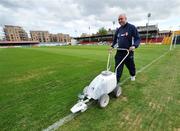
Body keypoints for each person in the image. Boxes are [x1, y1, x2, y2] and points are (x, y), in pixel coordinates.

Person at [109, 14, 140, 83]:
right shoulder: (118, 30)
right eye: (119, 19)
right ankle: (116, 81)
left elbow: (137, 39)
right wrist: (112, 47)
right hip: (119, 52)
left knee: (131, 66)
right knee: (117, 67)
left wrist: (134, 46)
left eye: (121, 19)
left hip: (128, 52)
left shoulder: (132, 27)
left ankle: (133, 75)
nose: (120, 21)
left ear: (125, 19)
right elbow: (115, 41)